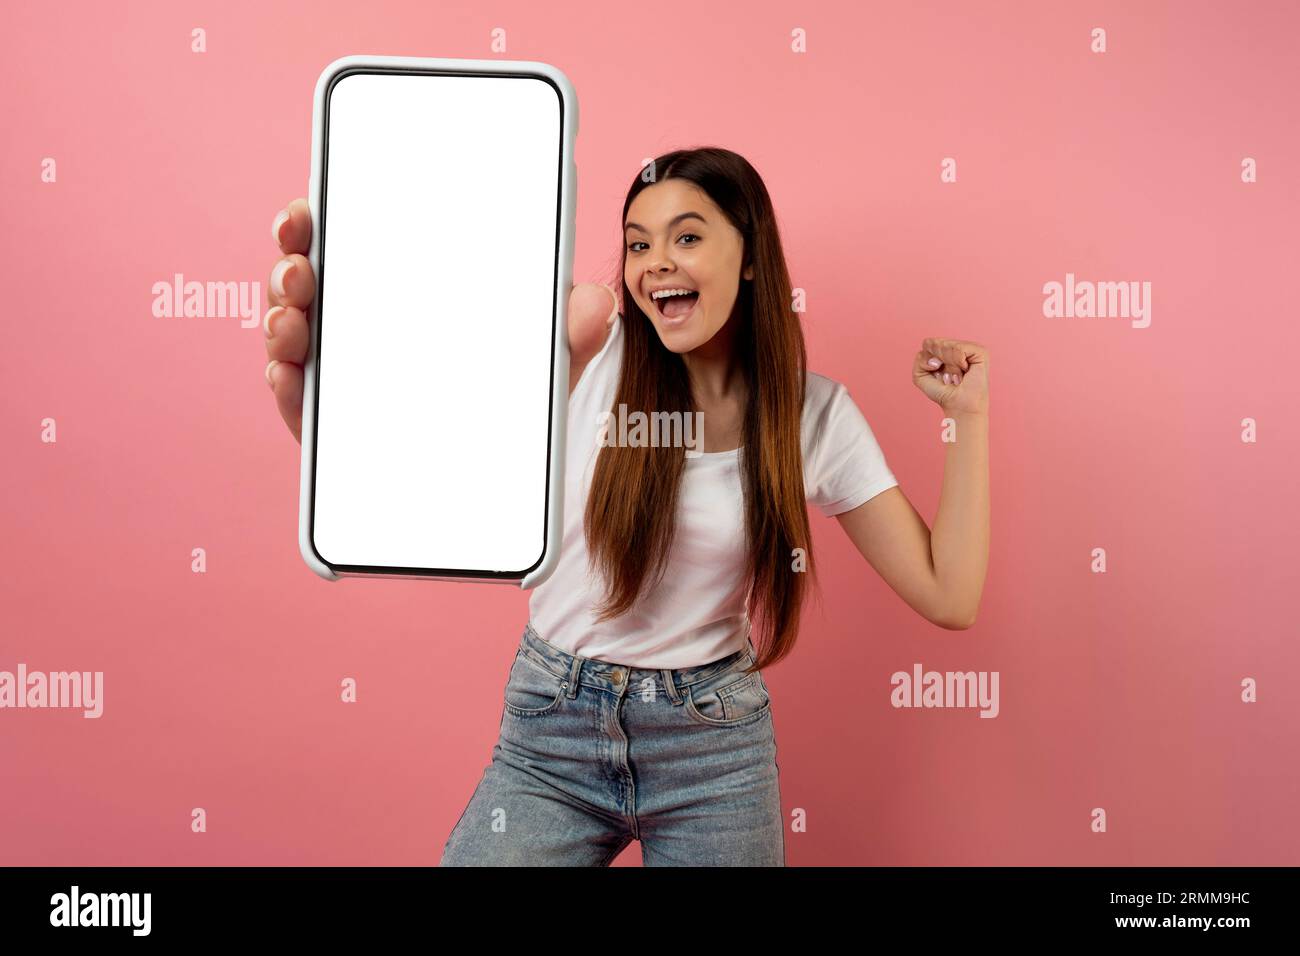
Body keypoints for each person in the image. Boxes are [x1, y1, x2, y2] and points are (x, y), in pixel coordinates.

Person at [262, 147, 991, 866]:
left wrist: (969, 417)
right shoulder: (587, 350)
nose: (655, 263)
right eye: (639, 243)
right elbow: (451, 427)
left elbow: (948, 593)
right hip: (553, 730)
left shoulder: (813, 415)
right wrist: (347, 425)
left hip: (713, 750)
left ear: (749, 255)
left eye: (687, 236)